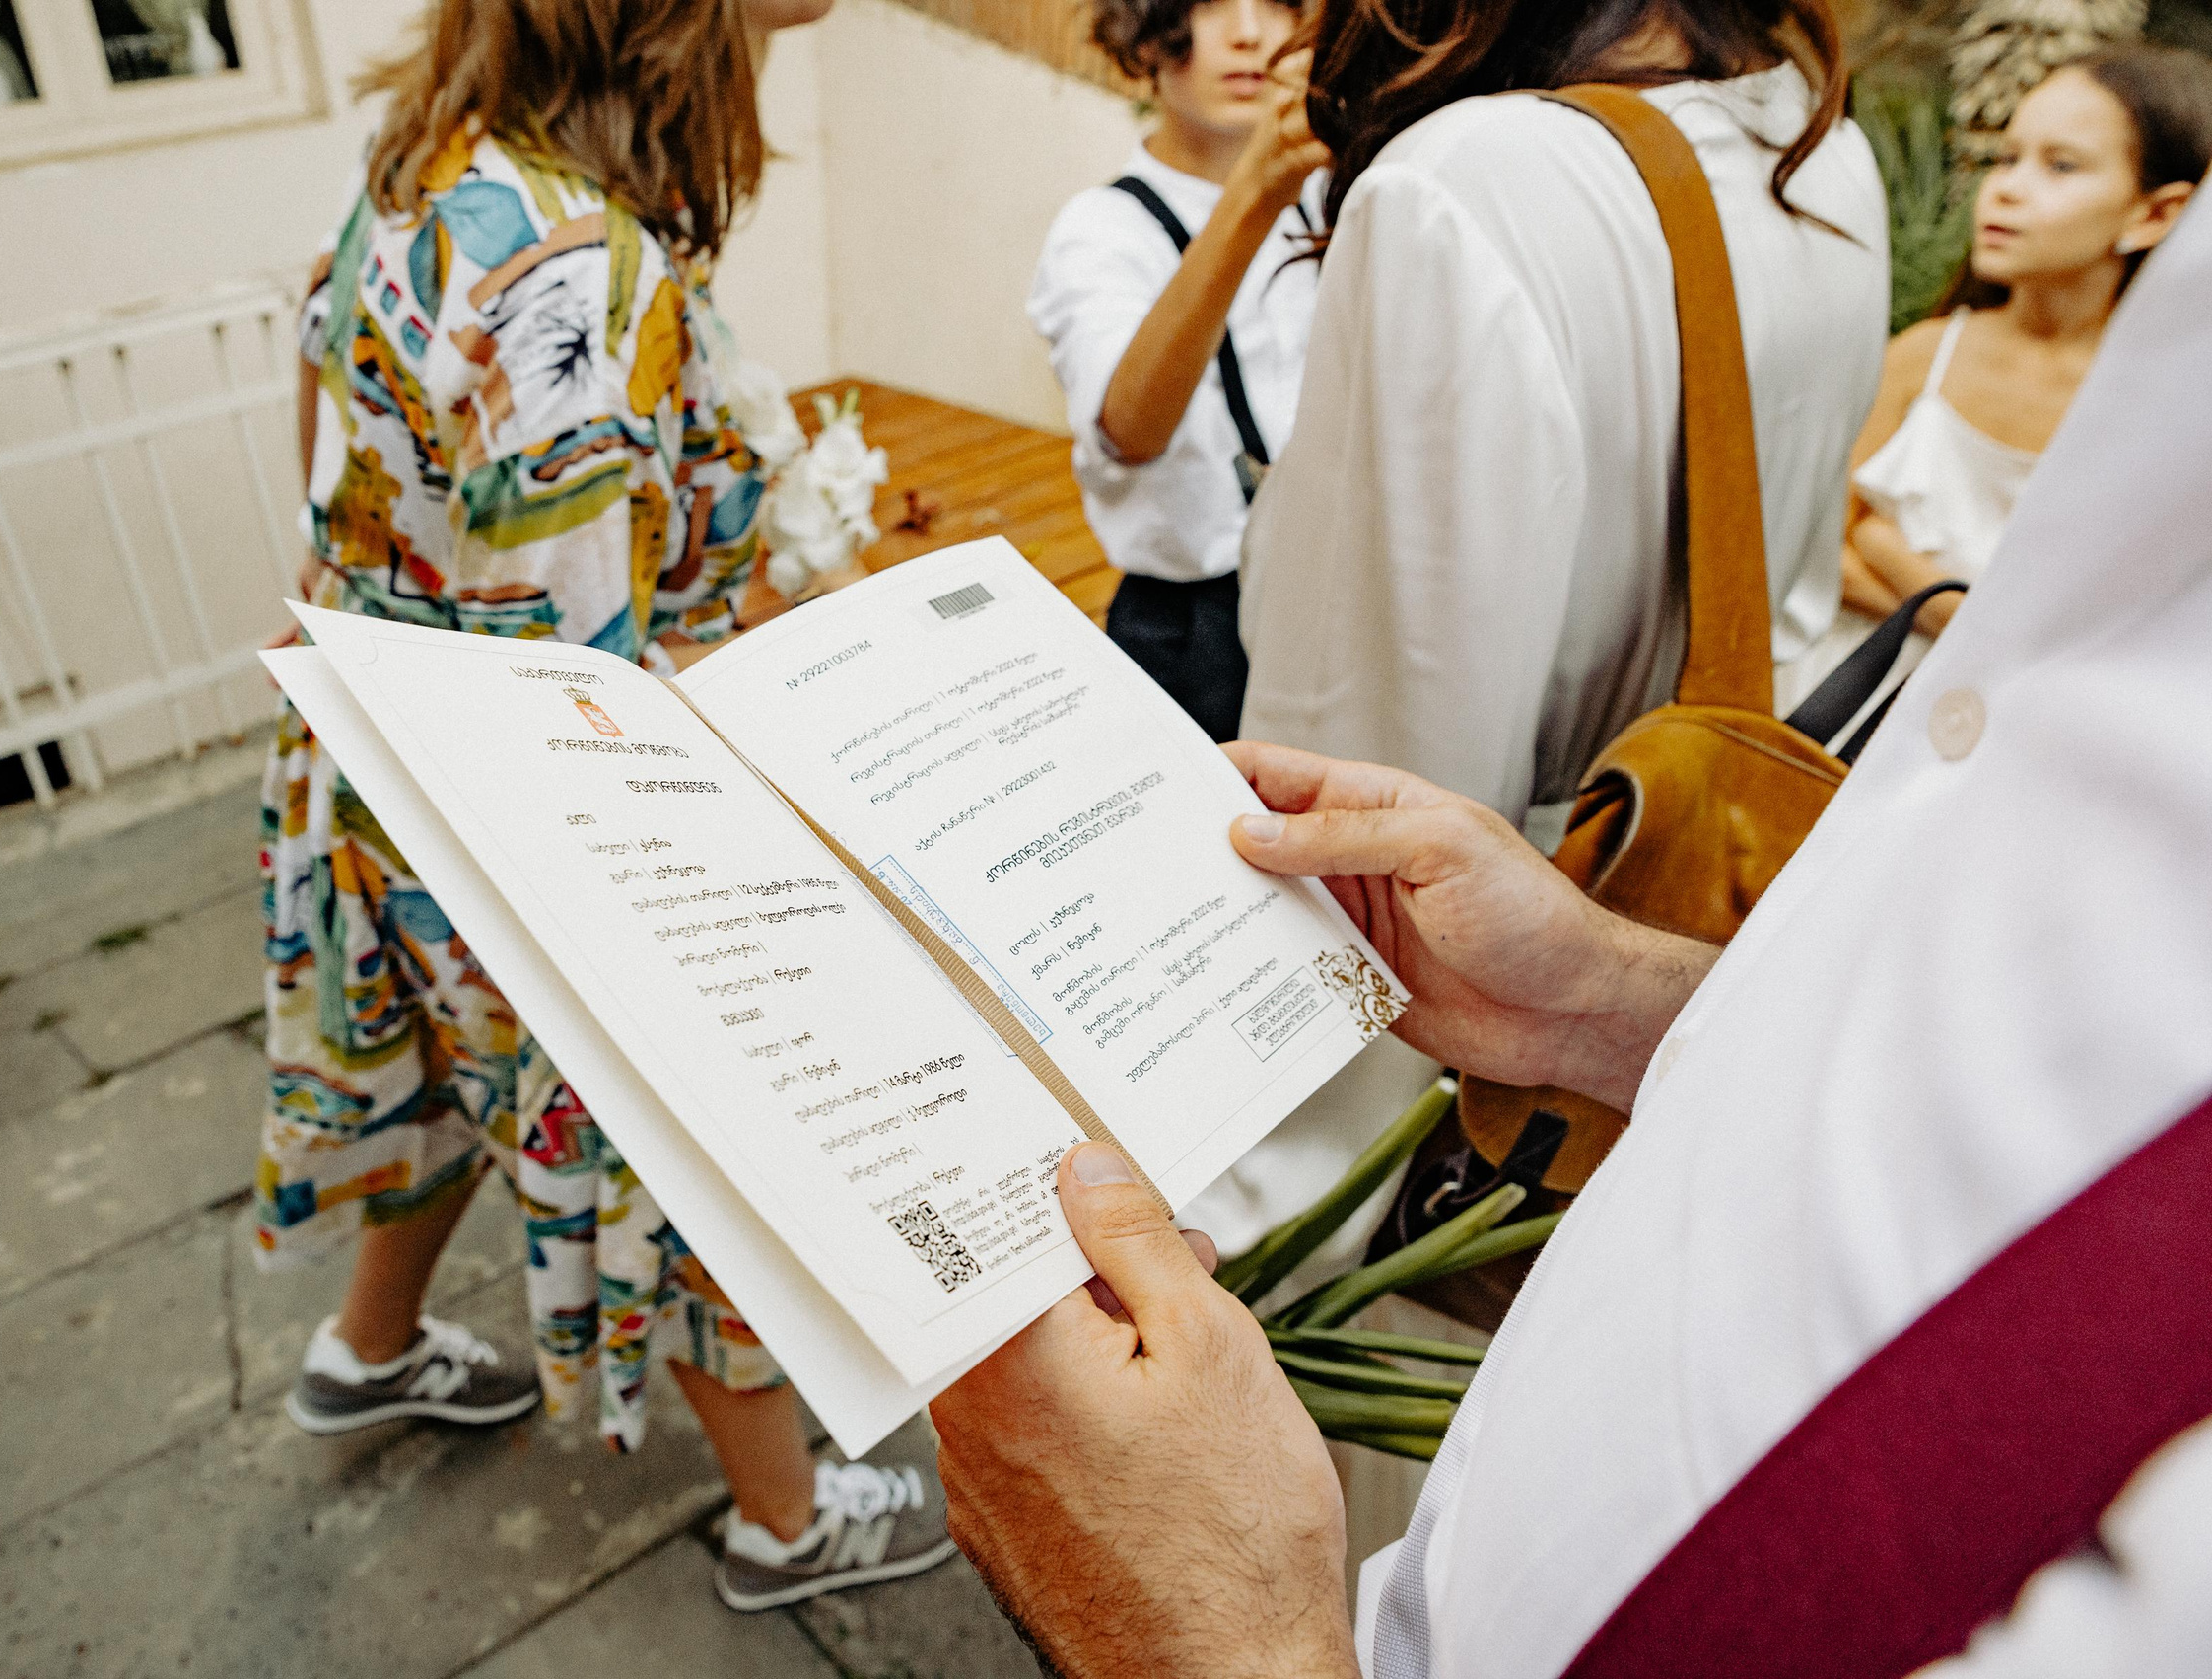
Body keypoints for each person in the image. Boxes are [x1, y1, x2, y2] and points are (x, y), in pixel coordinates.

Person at [929, 178, 2212, 1677]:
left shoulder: (1443, 193)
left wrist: (1203, 1636)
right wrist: (1614, 1000)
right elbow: (2035, 1062)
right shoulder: (1840, 187)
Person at [254, 0, 952, 1613]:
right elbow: (579, 697)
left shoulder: (441, 161)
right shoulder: (580, 274)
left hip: (388, 762)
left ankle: (368, 1349)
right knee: (692, 1153)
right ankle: (786, 1517)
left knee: (441, 1062)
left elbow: (323, 437)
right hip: (529, 812)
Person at [1184, 0, 1887, 1295]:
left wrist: (1238, 1243)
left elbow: (1366, 805)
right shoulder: (1812, 137)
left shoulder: (1468, 183)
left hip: (1450, 1084)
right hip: (1692, 934)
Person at [1807, 44, 2210, 705]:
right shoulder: (1925, 356)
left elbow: (2110, 634)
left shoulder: (2159, 411)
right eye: (2007, 157)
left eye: (2060, 165)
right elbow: (1816, 553)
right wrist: (1983, 623)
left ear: (2155, 214)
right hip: (1843, 704)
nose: (2008, 188)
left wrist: (1886, 547)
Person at [1027, 0, 1329, 745]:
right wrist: (1255, 192)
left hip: (1324, 602)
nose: (1249, 34)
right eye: (1210, 4)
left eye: (1277, 4)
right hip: (1194, 635)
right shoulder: (1103, 230)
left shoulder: (1333, 197)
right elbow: (1128, 431)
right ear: (1146, 34)